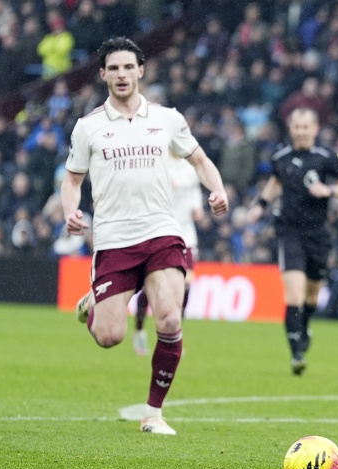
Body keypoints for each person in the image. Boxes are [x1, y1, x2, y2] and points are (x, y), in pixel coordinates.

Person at [61, 37, 229, 435]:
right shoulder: (88, 127)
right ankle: (94, 304)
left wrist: (218, 189)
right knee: (109, 336)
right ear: (103, 75)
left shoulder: (167, 118)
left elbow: (199, 160)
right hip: (114, 239)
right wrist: (70, 211)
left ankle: (153, 413)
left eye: (127, 67)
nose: (121, 75)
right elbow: (72, 180)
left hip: (161, 232)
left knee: (169, 317)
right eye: (113, 68)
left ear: (140, 71)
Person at [247, 107, 338, 375]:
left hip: (318, 233)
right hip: (289, 231)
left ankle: (305, 325)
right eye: (297, 126)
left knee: (312, 295)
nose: (301, 131)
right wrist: (261, 205)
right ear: (290, 128)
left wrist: (329, 189)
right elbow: (276, 182)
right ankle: (296, 353)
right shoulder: (280, 156)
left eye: (305, 127)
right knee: (294, 294)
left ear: (315, 129)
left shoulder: (327, 157)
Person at [132, 151, 205, 356]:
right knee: (151, 285)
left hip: (186, 236)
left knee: (186, 284)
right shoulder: (158, 164)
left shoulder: (191, 168)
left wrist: (198, 210)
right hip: (161, 233)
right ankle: (139, 330)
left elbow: (195, 199)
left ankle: (174, 336)